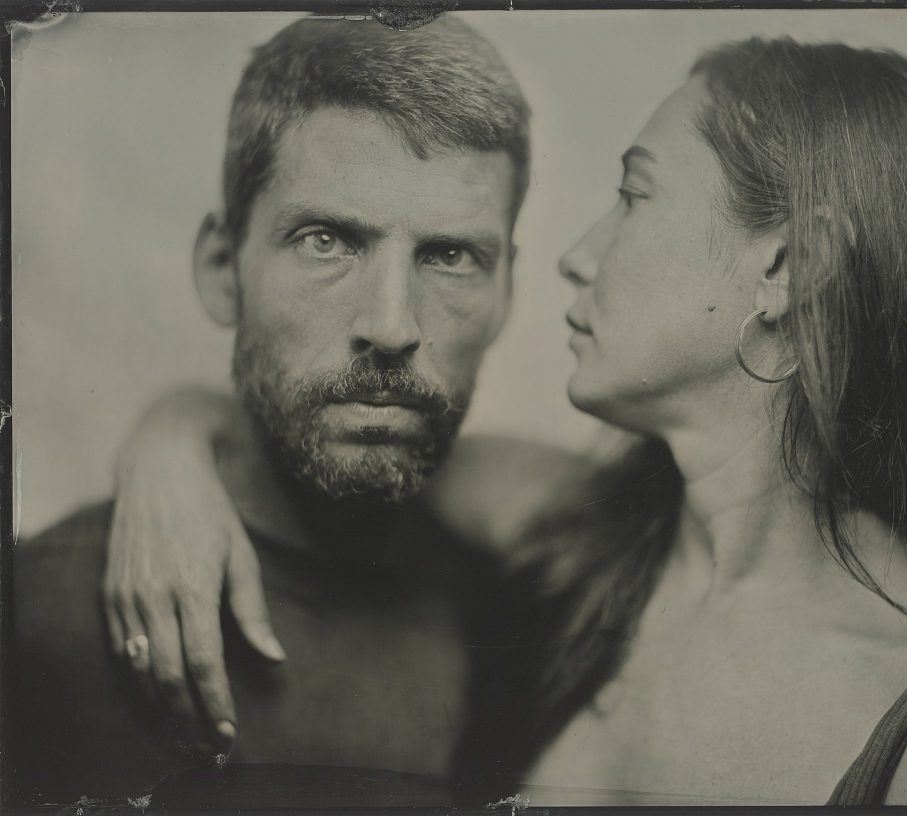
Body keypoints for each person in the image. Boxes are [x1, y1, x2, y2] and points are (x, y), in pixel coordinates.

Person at [100, 32, 907, 807]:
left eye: (635, 193)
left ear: (786, 266)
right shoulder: (590, 532)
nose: (578, 256)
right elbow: (345, 420)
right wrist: (170, 449)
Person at [8, 15, 537, 809]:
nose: (392, 326)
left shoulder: (531, 626)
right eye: (327, 240)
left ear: (506, 295)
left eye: (450, 255)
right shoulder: (36, 617)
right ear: (224, 269)